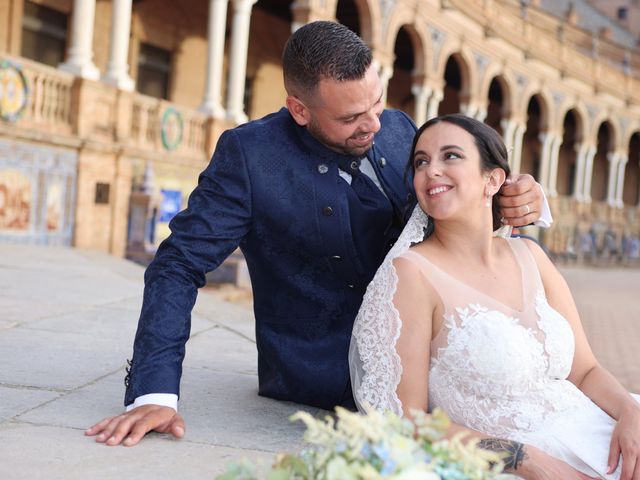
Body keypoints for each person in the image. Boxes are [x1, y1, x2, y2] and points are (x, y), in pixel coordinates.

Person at [86, 22, 547, 447]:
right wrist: (154, 393)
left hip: (438, 359)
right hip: (327, 375)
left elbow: (443, 229)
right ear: (299, 109)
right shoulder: (249, 157)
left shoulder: (401, 129)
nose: (373, 124)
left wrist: (508, 200)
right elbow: (177, 266)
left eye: (377, 101)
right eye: (350, 118)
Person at [349, 114, 640, 480]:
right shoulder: (411, 274)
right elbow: (407, 420)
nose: (431, 170)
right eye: (421, 162)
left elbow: (585, 371)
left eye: (450, 156)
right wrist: (521, 458)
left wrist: (630, 414)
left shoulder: (530, 256)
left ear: (493, 179)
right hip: (507, 463)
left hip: (596, 436)